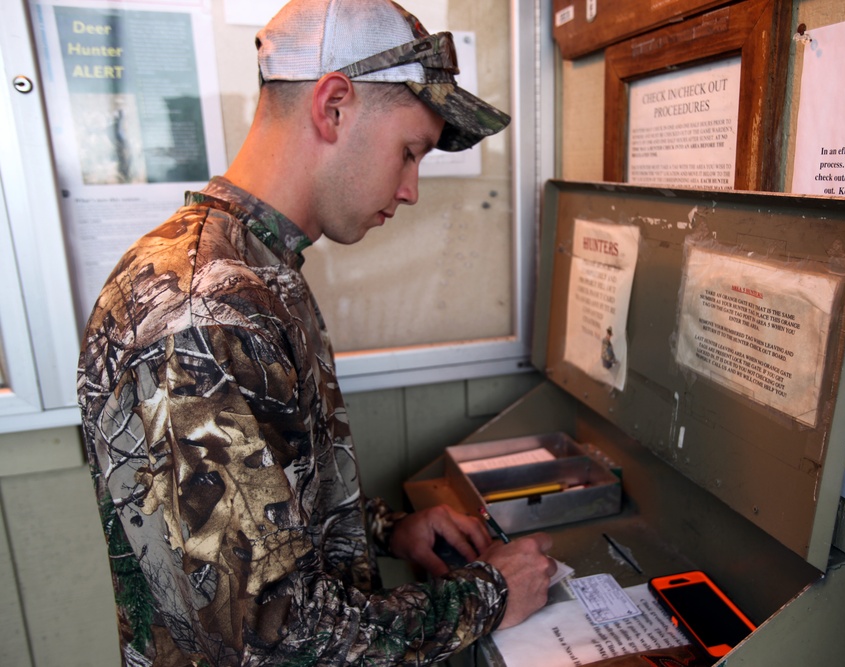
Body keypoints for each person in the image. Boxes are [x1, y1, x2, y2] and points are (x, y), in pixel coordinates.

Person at [76, 0, 555, 664]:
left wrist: (388, 529)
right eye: (409, 151)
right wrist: (489, 592)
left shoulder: (254, 268)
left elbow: (268, 493)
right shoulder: (202, 313)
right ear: (333, 106)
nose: (412, 188)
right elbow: (280, 636)